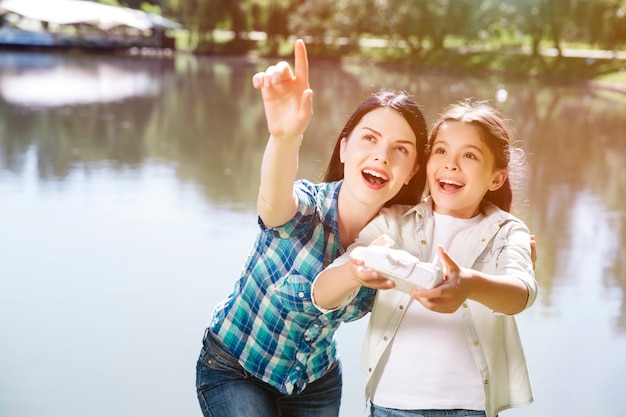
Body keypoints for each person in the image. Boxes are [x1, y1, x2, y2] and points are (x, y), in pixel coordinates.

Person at [195, 38, 429, 417]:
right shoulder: (305, 207)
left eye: (400, 149)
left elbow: (451, 267)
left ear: (412, 172)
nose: (381, 156)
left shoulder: (401, 239)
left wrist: (502, 250)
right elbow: (274, 201)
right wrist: (285, 137)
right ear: (344, 148)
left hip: (313, 382)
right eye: (369, 138)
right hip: (233, 369)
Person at [312, 100, 538, 417]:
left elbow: (521, 294)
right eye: (441, 151)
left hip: (469, 406)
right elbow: (321, 293)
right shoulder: (393, 221)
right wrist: (356, 269)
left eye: (469, 156)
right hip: (392, 403)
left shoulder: (506, 231)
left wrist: (469, 285)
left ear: (496, 178)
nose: (451, 164)